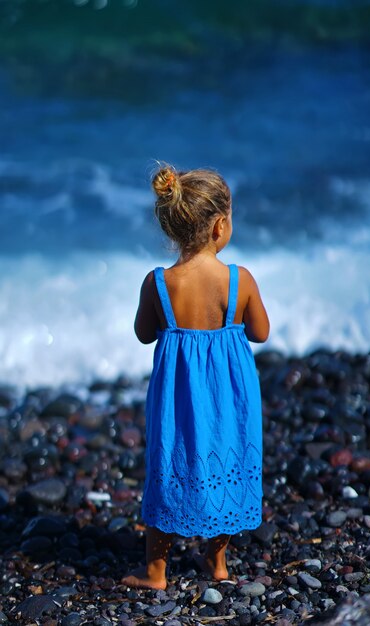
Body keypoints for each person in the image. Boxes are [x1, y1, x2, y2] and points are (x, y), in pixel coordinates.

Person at [121, 164, 270, 590]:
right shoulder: (239, 281)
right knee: (228, 455)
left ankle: (156, 571)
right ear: (221, 225)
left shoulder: (160, 283)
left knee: (169, 461)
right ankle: (217, 560)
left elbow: (143, 334)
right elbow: (260, 332)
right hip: (229, 396)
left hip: (176, 397)